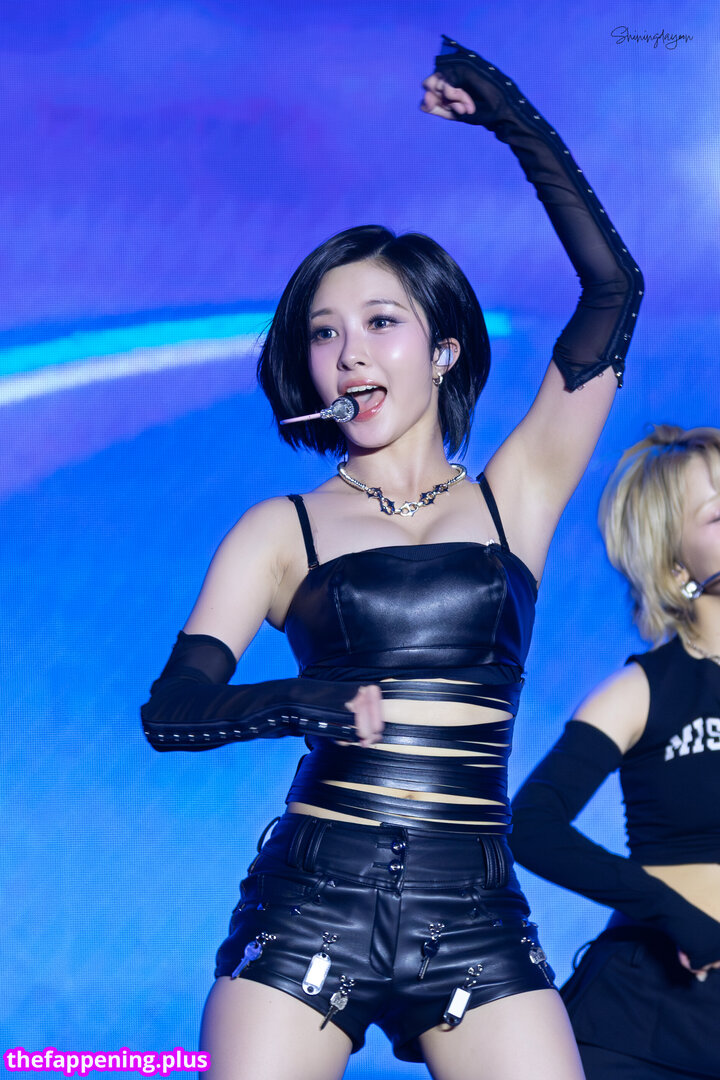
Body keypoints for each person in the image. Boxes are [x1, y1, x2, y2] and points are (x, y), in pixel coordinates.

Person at [141, 35, 643, 1080]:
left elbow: (613, 290)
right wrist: (302, 702)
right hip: (310, 902)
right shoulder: (280, 529)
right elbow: (172, 711)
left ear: (443, 349)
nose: (350, 353)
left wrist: (510, 118)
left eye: (380, 321)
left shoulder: (516, 495)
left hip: (476, 911)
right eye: (324, 334)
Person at [510, 425, 720, 1080]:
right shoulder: (641, 690)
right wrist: (675, 915)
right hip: (649, 1017)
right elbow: (531, 823)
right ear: (676, 566)